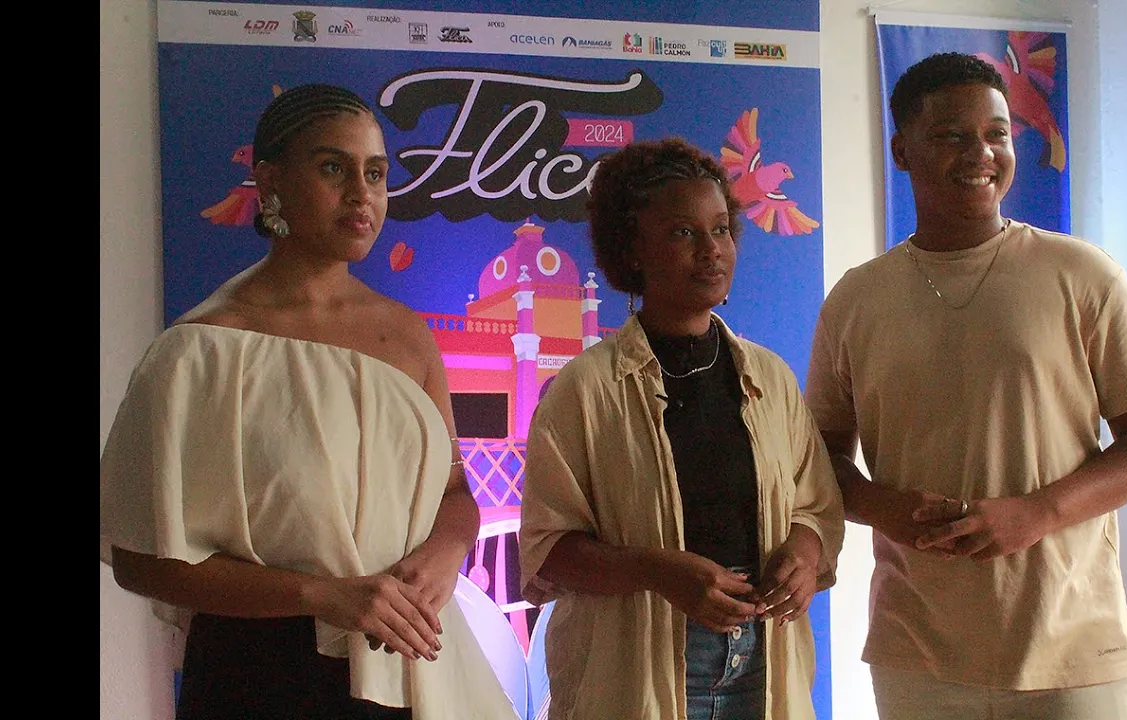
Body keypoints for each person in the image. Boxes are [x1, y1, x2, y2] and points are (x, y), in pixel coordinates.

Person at [99, 83, 517, 720]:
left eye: (375, 173)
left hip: (408, 663)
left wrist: (445, 554)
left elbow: (455, 492)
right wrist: (323, 596)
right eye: (332, 168)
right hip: (256, 677)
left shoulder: (408, 335)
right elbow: (139, 560)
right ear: (270, 181)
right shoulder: (197, 352)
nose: (361, 194)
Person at [804, 52, 1127, 720]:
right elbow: (820, 458)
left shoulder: (1082, 274)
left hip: (1074, 653)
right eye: (952, 135)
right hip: (917, 653)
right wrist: (879, 506)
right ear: (902, 150)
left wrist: (1038, 513)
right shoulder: (857, 299)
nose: (980, 153)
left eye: (997, 134)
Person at [517, 137, 846, 720]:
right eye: (682, 233)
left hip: (763, 658)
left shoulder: (770, 377)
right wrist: (657, 571)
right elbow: (549, 551)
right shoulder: (585, 389)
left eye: (720, 229)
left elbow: (815, 504)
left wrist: (803, 548)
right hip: (636, 664)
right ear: (632, 251)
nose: (711, 250)